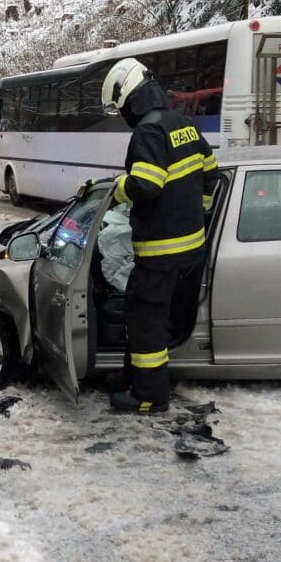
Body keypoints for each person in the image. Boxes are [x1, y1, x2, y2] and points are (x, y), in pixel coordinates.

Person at [100, 57, 219, 414]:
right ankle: (130, 377)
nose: (124, 116)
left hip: (160, 253)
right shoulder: (183, 125)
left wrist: (116, 189)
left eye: (121, 108)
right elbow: (211, 174)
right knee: (149, 319)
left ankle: (149, 396)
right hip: (190, 250)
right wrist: (194, 212)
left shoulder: (148, 131)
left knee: (145, 323)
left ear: (131, 98)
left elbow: (146, 185)